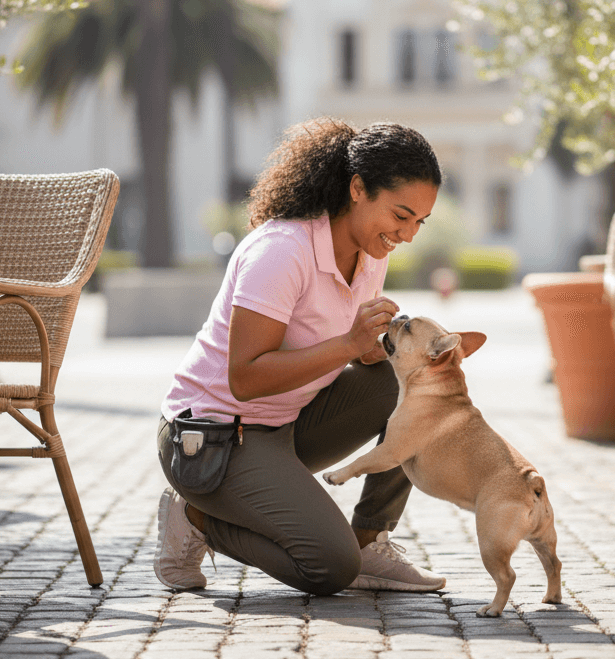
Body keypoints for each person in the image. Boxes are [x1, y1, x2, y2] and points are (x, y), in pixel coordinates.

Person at [154, 118, 446, 595]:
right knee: (330, 567)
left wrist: (374, 351)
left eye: (419, 222)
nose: (408, 234)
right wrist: (349, 345)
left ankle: (370, 539)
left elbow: (344, 350)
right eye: (400, 215)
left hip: (287, 425)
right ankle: (196, 515)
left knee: (414, 379)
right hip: (213, 438)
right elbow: (244, 378)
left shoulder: (371, 254)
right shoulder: (281, 253)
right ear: (357, 188)